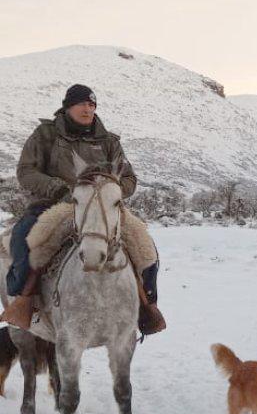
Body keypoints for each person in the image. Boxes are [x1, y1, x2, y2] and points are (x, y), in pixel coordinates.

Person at [1, 84, 165, 335]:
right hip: (55, 205)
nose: (88, 109)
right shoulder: (45, 134)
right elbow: (26, 172)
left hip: (103, 209)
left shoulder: (109, 141)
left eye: (92, 105)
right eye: (82, 104)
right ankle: (23, 301)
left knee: (146, 246)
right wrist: (56, 188)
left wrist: (112, 190)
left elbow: (130, 178)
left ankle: (147, 306)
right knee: (25, 239)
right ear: (68, 107)